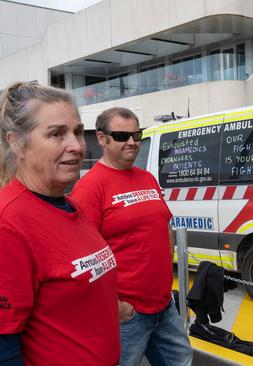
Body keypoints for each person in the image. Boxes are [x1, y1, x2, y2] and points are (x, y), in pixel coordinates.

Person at [0, 82, 120, 365]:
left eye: (78, 132)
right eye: (57, 133)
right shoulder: (1, 225)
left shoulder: (69, 205)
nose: (76, 145)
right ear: (16, 142)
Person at [71, 107, 193, 366]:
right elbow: (79, 255)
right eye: (121, 135)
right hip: (126, 314)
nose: (131, 142)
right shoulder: (90, 187)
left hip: (163, 304)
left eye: (136, 134)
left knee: (181, 361)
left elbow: (164, 227)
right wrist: (114, 306)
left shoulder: (147, 178)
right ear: (102, 139)